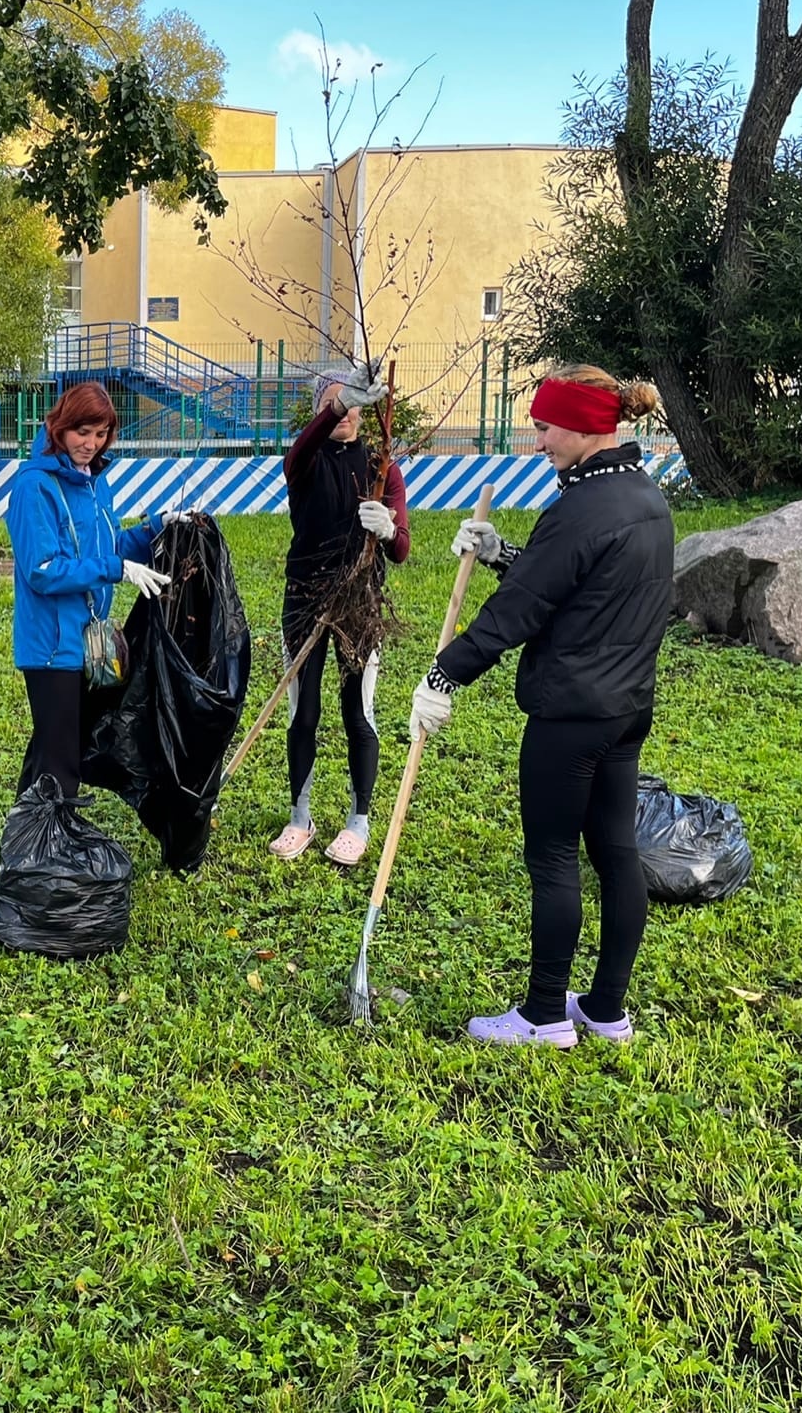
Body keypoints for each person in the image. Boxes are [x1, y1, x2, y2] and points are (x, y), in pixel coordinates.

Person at [408, 364, 673, 1048]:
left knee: (553, 855)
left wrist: (444, 674)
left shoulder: (580, 509)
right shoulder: (644, 495)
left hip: (570, 715)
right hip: (624, 707)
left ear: (585, 426)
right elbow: (573, 587)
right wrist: (503, 554)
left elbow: (519, 612)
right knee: (616, 852)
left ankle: (544, 1014)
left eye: (546, 426)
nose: (538, 440)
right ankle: (607, 1009)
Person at [5, 380, 174, 798]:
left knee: (55, 747)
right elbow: (42, 570)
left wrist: (158, 528)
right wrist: (117, 569)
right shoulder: (35, 487)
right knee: (61, 760)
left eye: (101, 435)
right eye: (82, 432)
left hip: (87, 641)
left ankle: (28, 843)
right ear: (60, 427)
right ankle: (49, 851)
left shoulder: (94, 481)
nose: (91, 444)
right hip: (51, 646)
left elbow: (108, 546)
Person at [269, 360, 408, 866]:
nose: (346, 411)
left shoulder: (381, 466)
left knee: (358, 712)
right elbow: (305, 445)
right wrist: (338, 401)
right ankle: (299, 816)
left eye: (353, 402)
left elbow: (403, 550)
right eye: (335, 402)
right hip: (305, 598)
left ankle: (359, 821)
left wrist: (389, 530)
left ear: (366, 412)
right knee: (303, 711)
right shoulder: (304, 461)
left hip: (359, 604)